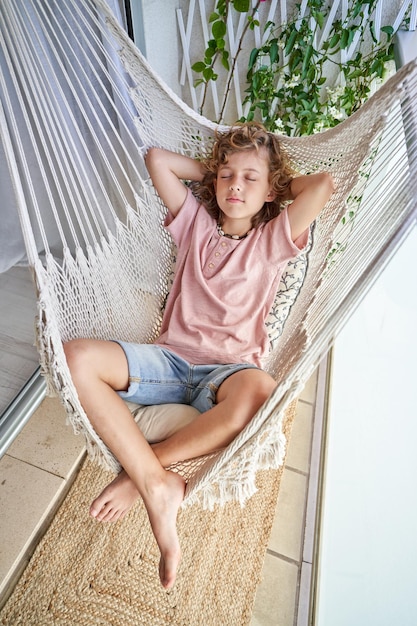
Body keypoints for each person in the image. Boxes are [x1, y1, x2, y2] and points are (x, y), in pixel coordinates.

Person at [63, 122, 334, 590]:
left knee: (263, 393)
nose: (236, 185)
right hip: (168, 362)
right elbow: (158, 160)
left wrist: (269, 183)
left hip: (227, 374)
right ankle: (156, 482)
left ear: (271, 192)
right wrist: (218, 174)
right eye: (227, 176)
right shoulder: (196, 227)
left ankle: (142, 478)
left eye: (251, 179)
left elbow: (324, 186)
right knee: (76, 358)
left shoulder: (271, 242)